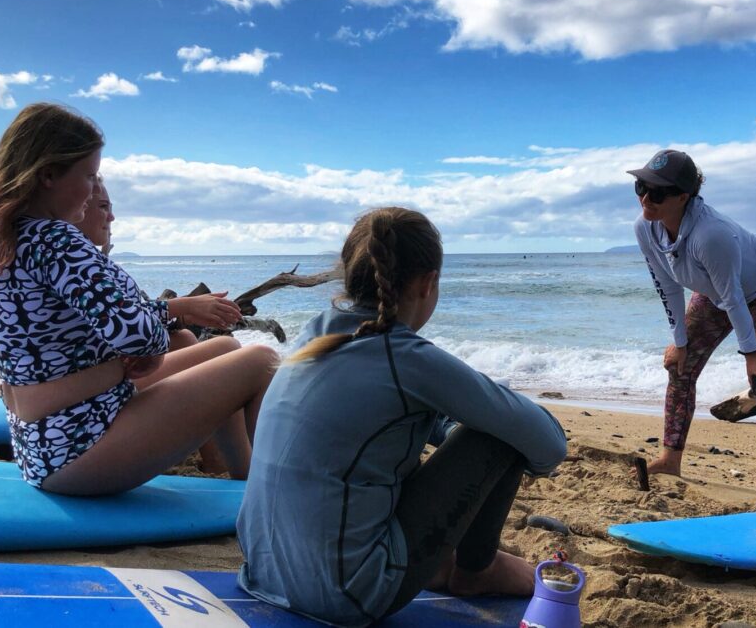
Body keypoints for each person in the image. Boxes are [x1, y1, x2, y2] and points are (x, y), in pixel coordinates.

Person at [237, 207, 567, 627]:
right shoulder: (406, 357)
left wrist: (447, 426)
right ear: (428, 283)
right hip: (347, 594)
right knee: (499, 435)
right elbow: (548, 444)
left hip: (260, 569)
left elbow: (378, 413)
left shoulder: (315, 333)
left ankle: (450, 564)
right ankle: (476, 570)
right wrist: (477, 430)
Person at [0, 102, 279, 495]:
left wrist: (137, 342)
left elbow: (87, 323)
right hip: (83, 447)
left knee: (223, 349)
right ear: (49, 174)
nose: (92, 191)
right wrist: (146, 351)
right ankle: (269, 495)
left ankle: (242, 481)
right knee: (262, 360)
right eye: (89, 176)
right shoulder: (55, 240)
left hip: (43, 445)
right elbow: (136, 333)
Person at [629, 149, 756, 509]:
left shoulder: (711, 235)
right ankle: (671, 460)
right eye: (641, 187)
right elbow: (667, 284)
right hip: (714, 292)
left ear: (683, 197)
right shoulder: (646, 227)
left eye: (657, 193)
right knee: (680, 366)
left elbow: (734, 297)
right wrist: (680, 343)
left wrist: (751, 355)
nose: (646, 199)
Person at [76, 179, 245, 472]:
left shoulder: (72, 258)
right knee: (234, 352)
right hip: (90, 403)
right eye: (103, 208)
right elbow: (126, 327)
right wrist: (182, 307)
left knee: (182, 340)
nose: (111, 217)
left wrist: (180, 315)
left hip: (90, 386)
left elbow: (110, 320)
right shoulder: (72, 262)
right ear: (76, 207)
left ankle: (215, 458)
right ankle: (250, 474)